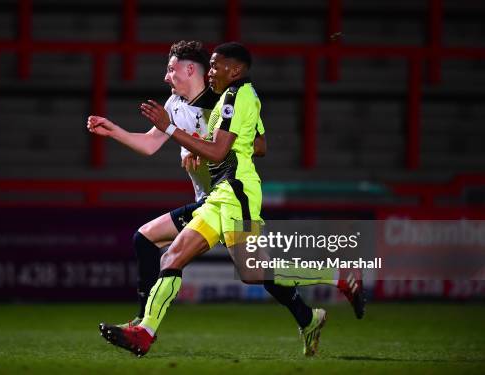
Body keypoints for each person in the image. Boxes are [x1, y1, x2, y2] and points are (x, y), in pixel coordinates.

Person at [100, 42, 365, 357]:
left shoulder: (234, 98)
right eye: (210, 65)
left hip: (236, 190)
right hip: (218, 195)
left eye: (215, 65)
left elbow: (233, 149)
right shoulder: (220, 97)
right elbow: (209, 145)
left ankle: (338, 276)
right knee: (172, 257)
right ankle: (144, 331)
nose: (211, 71)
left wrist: (180, 135)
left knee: (253, 272)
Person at [88, 40, 264, 328]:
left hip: (229, 196)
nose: (166, 76)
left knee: (253, 271)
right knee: (149, 241)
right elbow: (149, 144)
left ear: (190, 69)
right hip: (209, 201)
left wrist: (201, 146)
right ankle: (142, 324)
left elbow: (256, 145)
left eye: (171, 69)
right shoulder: (175, 104)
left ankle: (143, 325)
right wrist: (114, 131)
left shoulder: (222, 101)